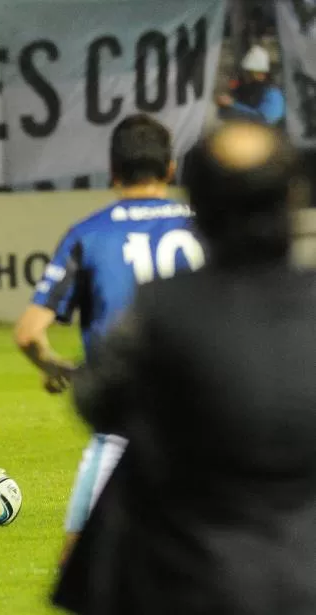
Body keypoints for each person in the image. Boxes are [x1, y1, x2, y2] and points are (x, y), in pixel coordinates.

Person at [53, 121, 316, 614]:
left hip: (195, 581)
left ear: (200, 207)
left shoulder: (163, 311)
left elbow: (96, 402)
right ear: (292, 200)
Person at [13, 113, 206, 565]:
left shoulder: (89, 235)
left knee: (81, 567)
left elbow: (27, 334)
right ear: (170, 168)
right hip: (205, 429)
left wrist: (57, 368)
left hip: (125, 429)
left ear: (113, 170)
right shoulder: (207, 228)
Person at [216, 44, 285, 126]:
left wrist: (233, 104)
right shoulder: (246, 87)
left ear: (260, 73)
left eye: (249, 73)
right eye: (246, 73)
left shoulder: (273, 93)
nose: (246, 77)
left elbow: (263, 119)